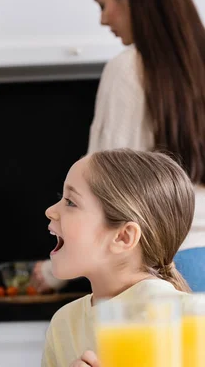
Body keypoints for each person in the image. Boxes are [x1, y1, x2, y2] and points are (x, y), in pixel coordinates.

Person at [32, 0, 205, 294]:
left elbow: (102, 189)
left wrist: (57, 271)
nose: (102, 20)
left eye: (102, 4)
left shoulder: (128, 69)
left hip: (170, 272)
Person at [41, 148, 193, 367]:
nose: (50, 210)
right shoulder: (64, 323)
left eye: (71, 202)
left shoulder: (188, 319)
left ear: (123, 237)